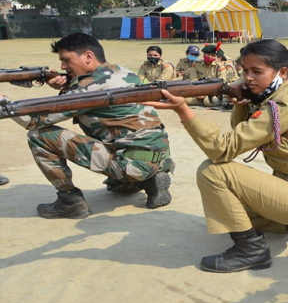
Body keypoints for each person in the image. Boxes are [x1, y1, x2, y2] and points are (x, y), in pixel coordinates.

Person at [143, 39, 288, 273]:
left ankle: (251, 250)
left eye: (256, 71)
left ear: (282, 71)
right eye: (244, 70)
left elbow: (222, 150)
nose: (247, 77)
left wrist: (183, 109)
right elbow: (243, 131)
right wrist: (242, 101)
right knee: (230, 208)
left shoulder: (284, 103)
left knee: (213, 172)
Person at [8, 33, 173, 218]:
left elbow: (33, 120)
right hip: (160, 157)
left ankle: (69, 202)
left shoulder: (87, 88)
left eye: (66, 60)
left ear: (88, 56)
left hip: (130, 161)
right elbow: (92, 94)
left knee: (38, 136)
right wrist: (67, 89)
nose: (63, 66)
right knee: (118, 184)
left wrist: (3, 102)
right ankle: (149, 180)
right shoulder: (123, 72)